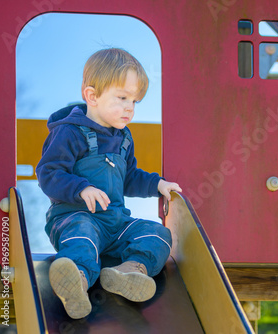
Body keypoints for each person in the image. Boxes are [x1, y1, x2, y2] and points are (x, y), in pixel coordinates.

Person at [36, 48, 182, 319]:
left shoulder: (124, 138)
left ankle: (129, 271)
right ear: (92, 96)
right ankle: (76, 280)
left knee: (158, 233)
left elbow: (130, 178)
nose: (130, 107)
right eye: (122, 97)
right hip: (74, 219)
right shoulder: (70, 132)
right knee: (82, 235)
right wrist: (80, 187)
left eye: (135, 101)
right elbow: (49, 172)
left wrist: (157, 184)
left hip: (114, 225)